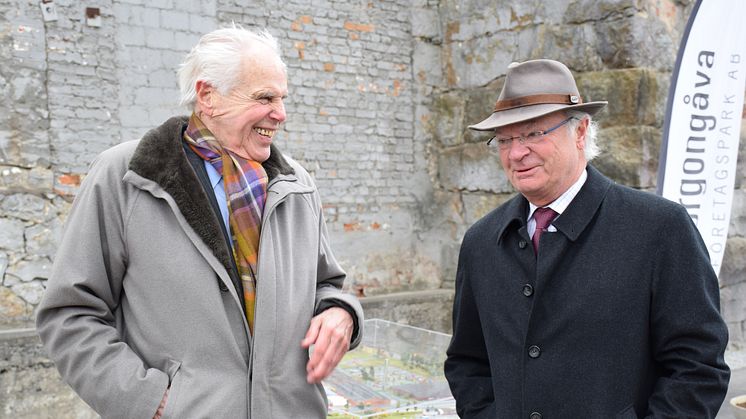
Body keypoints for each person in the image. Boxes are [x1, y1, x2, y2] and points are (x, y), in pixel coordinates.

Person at [36, 26, 363, 418]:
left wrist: (340, 313)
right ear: (208, 96)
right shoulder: (125, 176)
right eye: (265, 98)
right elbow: (70, 314)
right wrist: (148, 401)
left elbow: (327, 285)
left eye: (282, 98)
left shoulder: (296, 184)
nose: (281, 113)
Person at [444, 59, 730, 418]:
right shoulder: (481, 242)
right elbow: (467, 361)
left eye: (534, 133)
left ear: (580, 132)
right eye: (504, 139)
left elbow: (698, 368)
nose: (516, 153)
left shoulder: (659, 228)